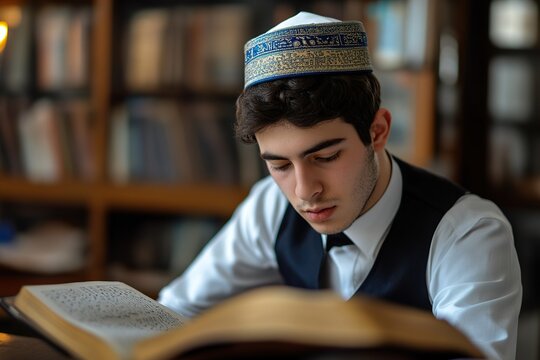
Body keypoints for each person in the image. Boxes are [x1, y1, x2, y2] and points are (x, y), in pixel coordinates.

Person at [159, 11, 522, 360]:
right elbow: (174, 312)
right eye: (280, 164)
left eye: (326, 157)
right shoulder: (272, 206)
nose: (304, 191)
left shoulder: (468, 235)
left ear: (377, 131)